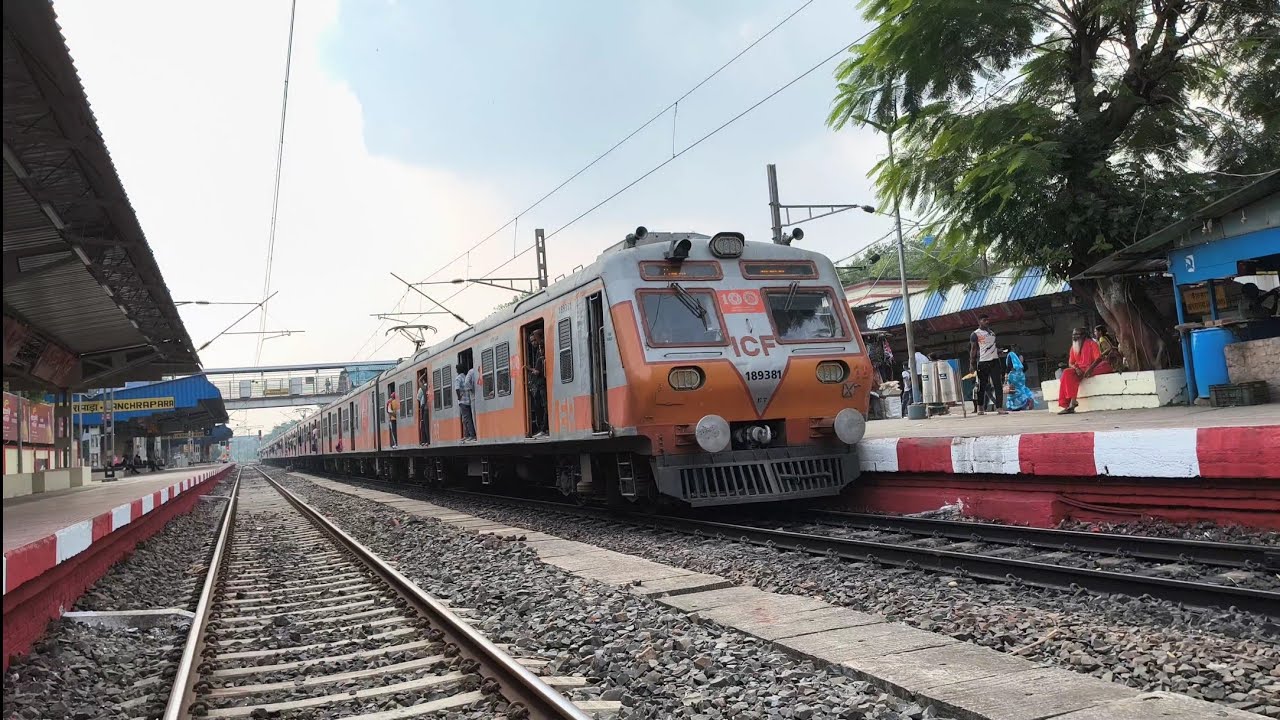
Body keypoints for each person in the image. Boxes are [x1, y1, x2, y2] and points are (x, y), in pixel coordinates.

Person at [1058, 327, 1113, 414]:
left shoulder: (1092, 344)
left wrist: (1090, 369)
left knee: (1105, 365)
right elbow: (1071, 363)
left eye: (1077, 334)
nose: (1074, 336)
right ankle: (1071, 403)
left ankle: (1072, 404)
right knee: (1066, 373)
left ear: (1084, 335)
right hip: (1079, 369)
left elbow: (1098, 358)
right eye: (1073, 334)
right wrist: (1076, 369)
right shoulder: (1073, 346)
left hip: (1092, 367)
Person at [969, 314, 1006, 415]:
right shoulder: (975, 334)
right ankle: (980, 407)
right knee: (982, 385)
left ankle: (999, 407)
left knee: (998, 384)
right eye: (984, 320)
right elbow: (973, 350)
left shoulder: (992, 333)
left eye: (988, 320)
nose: (987, 322)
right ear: (979, 321)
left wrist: (999, 351)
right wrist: (972, 364)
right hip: (983, 362)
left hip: (995, 361)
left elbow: (992, 346)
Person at [528, 328, 548, 437]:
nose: (533, 343)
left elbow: (537, 371)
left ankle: (543, 429)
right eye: (531, 341)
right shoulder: (538, 351)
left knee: (544, 406)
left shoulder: (542, 350)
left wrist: (528, 369)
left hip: (542, 383)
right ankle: (542, 428)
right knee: (539, 406)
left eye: (534, 340)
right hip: (539, 384)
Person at [1003, 347, 1035, 411]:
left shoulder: (1011, 354)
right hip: (1021, 374)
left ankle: (1015, 405)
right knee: (1021, 389)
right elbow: (1025, 366)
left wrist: (1006, 373)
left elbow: (1009, 365)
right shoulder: (1020, 356)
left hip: (1013, 374)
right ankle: (1028, 400)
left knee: (1013, 389)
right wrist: (1020, 373)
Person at [455, 363, 478, 441]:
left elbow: (457, 388)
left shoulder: (458, 378)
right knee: (468, 418)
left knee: (466, 419)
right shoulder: (465, 376)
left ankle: (471, 435)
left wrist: (459, 397)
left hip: (463, 401)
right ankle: (467, 435)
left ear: (458, 370)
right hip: (468, 400)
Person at [417, 380, 429, 445]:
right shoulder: (428, 387)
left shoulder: (422, 388)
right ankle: (427, 440)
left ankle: (425, 440)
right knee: (426, 424)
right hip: (427, 407)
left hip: (423, 407)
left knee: (423, 423)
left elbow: (418, 398)